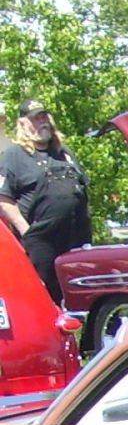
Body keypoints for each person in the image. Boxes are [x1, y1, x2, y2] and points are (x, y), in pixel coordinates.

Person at [0, 101, 91, 304]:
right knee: (46, 297)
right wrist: (27, 231)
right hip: (42, 242)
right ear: (23, 124)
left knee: (81, 294)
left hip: (76, 237)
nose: (42, 123)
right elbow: (3, 198)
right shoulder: (13, 156)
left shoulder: (64, 153)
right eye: (35, 119)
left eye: (44, 117)